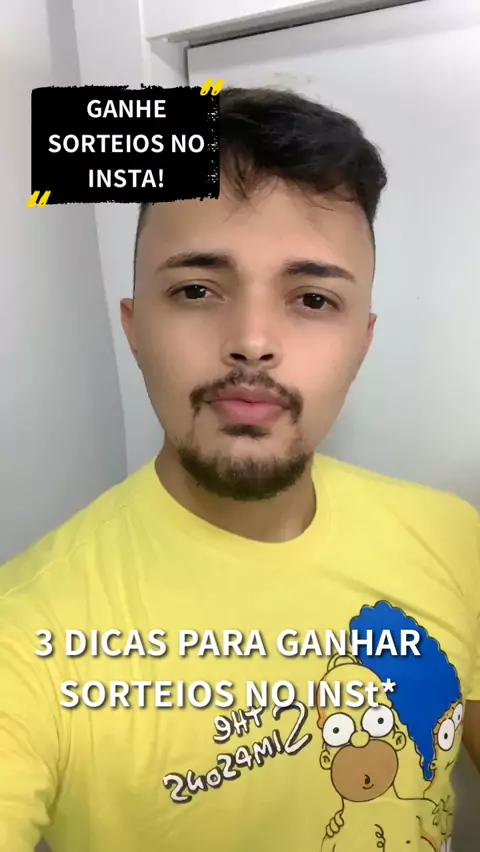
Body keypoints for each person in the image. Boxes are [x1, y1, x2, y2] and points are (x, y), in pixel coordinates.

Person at [0, 87, 478, 852]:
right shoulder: (23, 639)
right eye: (196, 290)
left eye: (312, 299)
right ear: (134, 327)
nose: (252, 340)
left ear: (362, 342)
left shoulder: (455, 539)